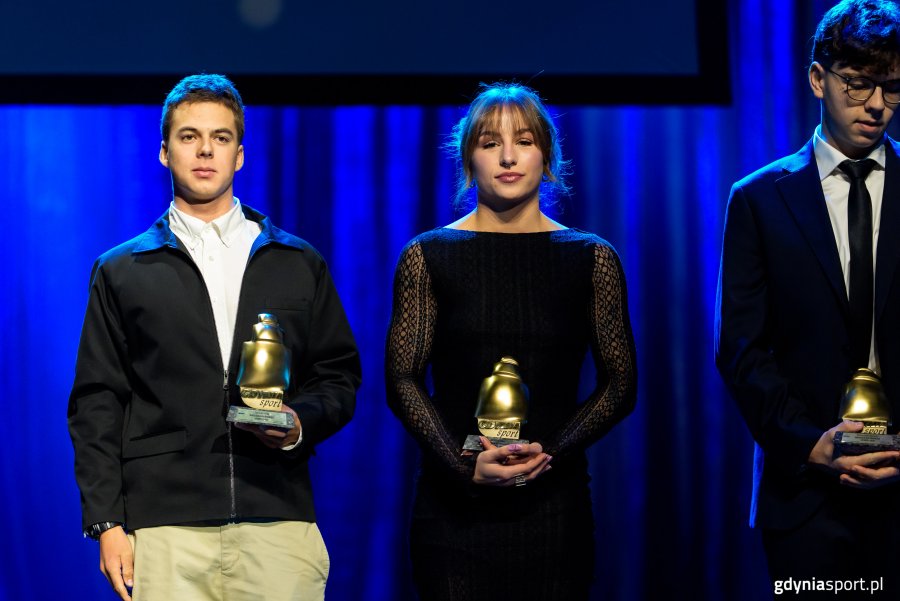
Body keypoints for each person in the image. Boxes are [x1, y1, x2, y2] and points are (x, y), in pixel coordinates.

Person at [67, 74, 361, 601]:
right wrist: (107, 522)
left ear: (240, 155)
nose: (205, 149)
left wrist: (299, 424)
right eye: (188, 136)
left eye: (221, 137)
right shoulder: (121, 269)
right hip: (166, 530)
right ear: (163, 152)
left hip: (278, 520)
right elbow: (97, 402)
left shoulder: (296, 261)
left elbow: (338, 376)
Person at [385, 82, 637, 600]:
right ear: (468, 159)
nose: (506, 156)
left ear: (546, 155)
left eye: (523, 140)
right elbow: (401, 379)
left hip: (554, 507)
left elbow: (621, 384)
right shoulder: (428, 255)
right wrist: (461, 465)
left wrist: (548, 455)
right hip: (453, 509)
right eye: (488, 142)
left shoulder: (591, 257)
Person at [716, 0, 900, 595]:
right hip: (805, 499)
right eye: (859, 84)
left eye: (892, 88)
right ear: (818, 78)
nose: (877, 105)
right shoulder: (759, 200)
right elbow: (741, 349)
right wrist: (812, 445)